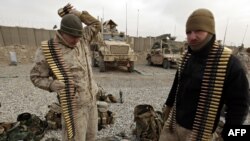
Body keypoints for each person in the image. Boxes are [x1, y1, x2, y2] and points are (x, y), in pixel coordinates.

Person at [159, 8, 249, 141]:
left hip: (199, 134)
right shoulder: (186, 57)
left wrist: (230, 134)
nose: (192, 37)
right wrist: (168, 107)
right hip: (172, 127)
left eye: (198, 31)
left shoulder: (229, 64)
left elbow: (239, 106)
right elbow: (176, 86)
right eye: (189, 32)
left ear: (211, 32)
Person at [30, 4, 101, 141]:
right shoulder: (48, 50)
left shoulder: (83, 39)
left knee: (91, 137)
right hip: (74, 108)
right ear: (62, 32)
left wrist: (79, 14)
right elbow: (35, 77)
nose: (76, 40)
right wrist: (51, 85)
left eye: (78, 36)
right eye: (73, 37)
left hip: (92, 102)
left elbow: (96, 24)